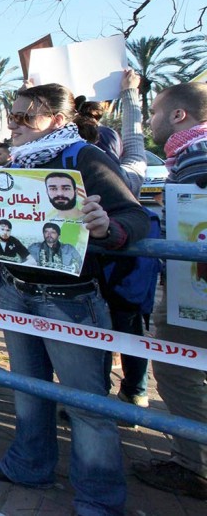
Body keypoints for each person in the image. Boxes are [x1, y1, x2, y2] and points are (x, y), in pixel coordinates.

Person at [0, 82, 148, 516]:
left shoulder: (84, 157)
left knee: (86, 405)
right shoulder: (13, 165)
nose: (13, 124)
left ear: (56, 120)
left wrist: (107, 226)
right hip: (15, 293)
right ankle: (28, 465)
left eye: (24, 117)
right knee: (27, 391)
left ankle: (98, 500)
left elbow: (135, 216)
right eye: (11, 115)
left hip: (69, 300)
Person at [131, 81, 207, 500]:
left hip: (195, 290)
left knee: (178, 372)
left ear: (179, 115)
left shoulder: (196, 155)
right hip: (189, 284)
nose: (150, 120)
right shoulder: (187, 154)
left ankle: (193, 467)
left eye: (155, 112)